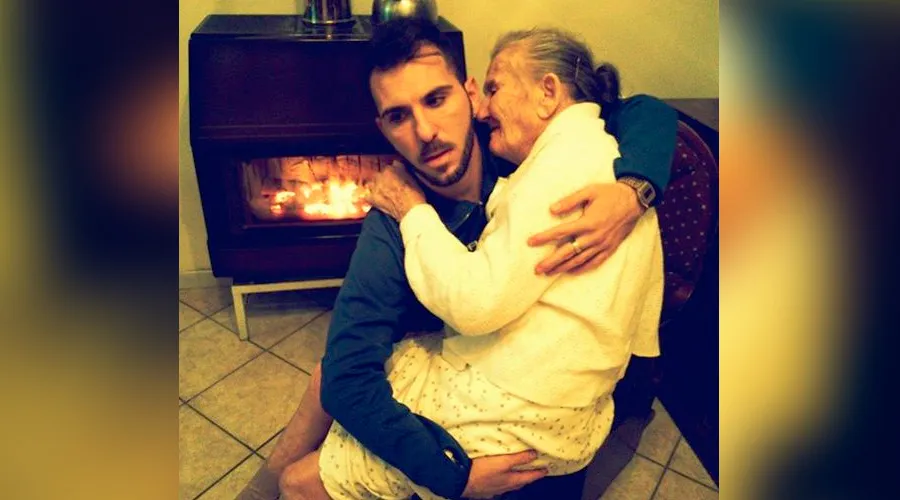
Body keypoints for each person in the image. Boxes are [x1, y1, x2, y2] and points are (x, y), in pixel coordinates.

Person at [237, 19, 676, 500]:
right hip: (459, 362)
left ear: (470, 96)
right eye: (399, 116)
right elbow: (346, 378)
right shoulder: (390, 223)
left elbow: (644, 110)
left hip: (532, 393)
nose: (425, 131)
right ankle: (264, 487)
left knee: (305, 472)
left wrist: (635, 190)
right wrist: (452, 474)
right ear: (384, 129)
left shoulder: (523, 149)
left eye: (436, 99)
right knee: (330, 382)